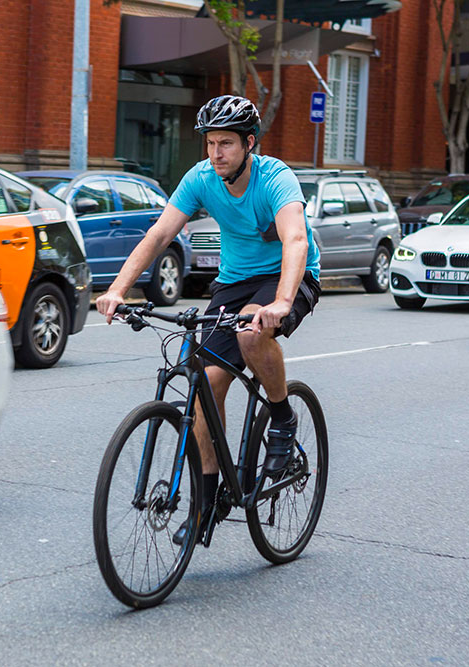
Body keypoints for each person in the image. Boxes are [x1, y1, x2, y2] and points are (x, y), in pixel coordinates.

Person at [95, 94, 321, 544]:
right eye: (211, 143)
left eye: (226, 144)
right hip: (233, 281)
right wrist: (119, 290)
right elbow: (160, 232)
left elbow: (294, 238)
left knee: (252, 332)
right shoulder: (201, 178)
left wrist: (279, 301)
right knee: (202, 382)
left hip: (288, 277)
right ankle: (207, 502)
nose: (215, 153)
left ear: (249, 144)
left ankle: (282, 419)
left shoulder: (275, 178)